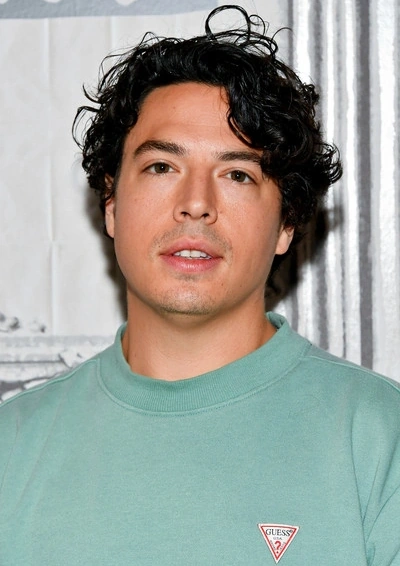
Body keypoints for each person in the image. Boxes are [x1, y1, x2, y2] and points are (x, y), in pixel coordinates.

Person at [0, 5, 399, 565]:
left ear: (287, 223)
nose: (195, 204)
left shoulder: (380, 439)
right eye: (162, 167)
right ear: (111, 202)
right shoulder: (13, 446)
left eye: (237, 174)